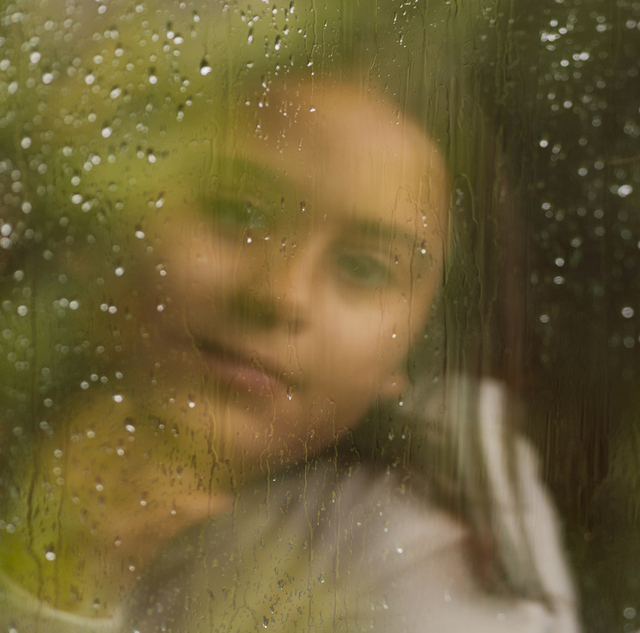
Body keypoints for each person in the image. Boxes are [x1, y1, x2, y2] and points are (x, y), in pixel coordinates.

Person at [0, 33, 577, 632]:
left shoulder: (431, 516)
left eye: (363, 268)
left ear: (412, 348)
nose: (280, 294)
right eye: (236, 212)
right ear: (113, 220)